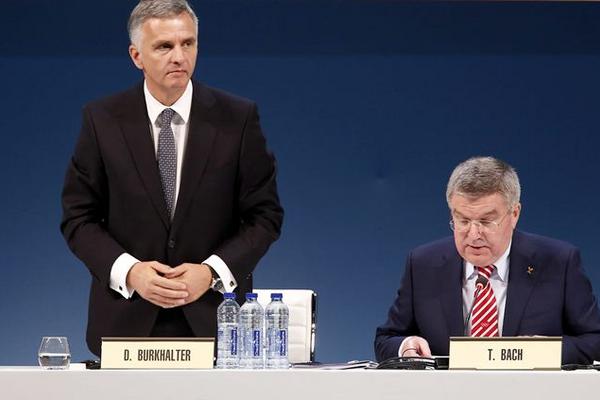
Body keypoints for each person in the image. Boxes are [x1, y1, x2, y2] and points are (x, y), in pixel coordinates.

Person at [61, 0, 283, 356]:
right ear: (137, 56)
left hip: (215, 324)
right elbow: (78, 218)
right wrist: (131, 272)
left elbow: (265, 217)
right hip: (124, 326)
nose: (179, 56)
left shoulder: (238, 119)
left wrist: (210, 273)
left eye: (188, 43)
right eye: (164, 46)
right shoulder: (101, 120)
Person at [374, 156, 600, 364]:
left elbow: (594, 341)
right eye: (462, 220)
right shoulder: (423, 264)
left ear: (514, 214)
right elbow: (387, 339)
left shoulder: (559, 262)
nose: (473, 234)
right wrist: (405, 347)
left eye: (486, 221)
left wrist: (540, 352)